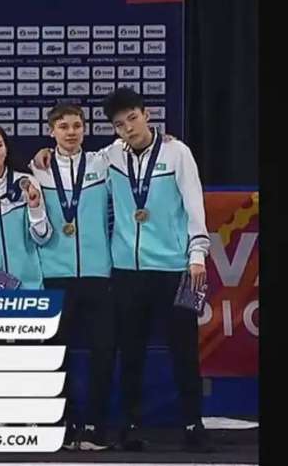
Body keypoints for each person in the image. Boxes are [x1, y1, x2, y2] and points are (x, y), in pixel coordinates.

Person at [98, 88, 211, 452]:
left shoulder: (178, 153)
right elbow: (70, 166)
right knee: (131, 351)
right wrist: (38, 161)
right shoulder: (110, 157)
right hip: (127, 271)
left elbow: (194, 205)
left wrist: (197, 254)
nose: (128, 128)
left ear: (146, 115)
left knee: (184, 349)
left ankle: (193, 424)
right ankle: (130, 424)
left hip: (176, 269)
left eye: (133, 118)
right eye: (120, 124)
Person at [28, 104, 116, 450]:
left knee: (103, 351)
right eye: (63, 126)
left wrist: (164, 140)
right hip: (54, 275)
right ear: (51, 130)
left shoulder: (101, 164)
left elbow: (134, 145)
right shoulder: (37, 171)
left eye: (77, 125)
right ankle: (59, 422)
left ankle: (95, 424)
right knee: (55, 353)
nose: (71, 132)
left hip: (97, 273)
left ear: (85, 129)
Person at [0, 123, 50, 290]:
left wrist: (35, 208)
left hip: (31, 286)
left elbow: (42, 237)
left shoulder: (28, 182)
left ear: (6, 149)